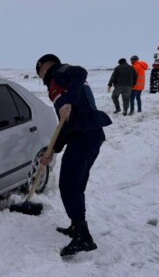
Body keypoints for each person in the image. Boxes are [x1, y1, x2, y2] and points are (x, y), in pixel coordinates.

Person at [35, 54, 112, 257]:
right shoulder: (57, 85)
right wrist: (52, 151)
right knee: (76, 185)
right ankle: (76, 225)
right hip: (87, 135)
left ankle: (83, 237)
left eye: (40, 69)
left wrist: (68, 101)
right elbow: (65, 125)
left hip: (85, 135)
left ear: (46, 65)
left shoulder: (60, 72)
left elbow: (81, 72)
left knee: (68, 185)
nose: (40, 74)